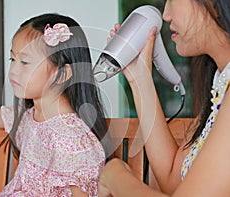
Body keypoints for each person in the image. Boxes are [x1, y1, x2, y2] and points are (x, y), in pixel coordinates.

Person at [0, 13, 112, 196]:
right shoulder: (31, 116)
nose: (13, 71)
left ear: (63, 73)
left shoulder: (72, 137)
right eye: (13, 60)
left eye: (25, 62)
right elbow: (2, 117)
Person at [98, 0, 230, 196]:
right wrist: (139, 77)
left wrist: (115, 174)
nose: (166, 15)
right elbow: (172, 179)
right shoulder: (220, 88)